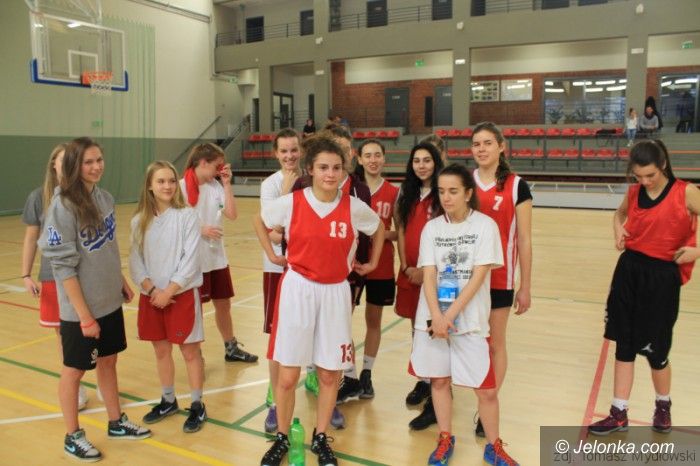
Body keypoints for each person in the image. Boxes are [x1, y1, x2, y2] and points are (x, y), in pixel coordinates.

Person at [254, 135, 384, 466]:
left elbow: (379, 228)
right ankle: (282, 437)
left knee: (329, 375)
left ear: (344, 171)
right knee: (287, 376)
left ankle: (321, 436)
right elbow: (260, 220)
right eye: (323, 167)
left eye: (337, 168)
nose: (330, 174)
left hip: (336, 291)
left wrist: (371, 263)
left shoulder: (354, 207)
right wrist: (273, 254)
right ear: (310, 169)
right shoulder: (292, 202)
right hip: (298, 289)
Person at [39, 137, 151, 462]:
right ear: (74, 165)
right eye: (88, 162)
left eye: (99, 159)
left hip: (108, 300)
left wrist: (120, 281)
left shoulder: (104, 197)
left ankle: (116, 422)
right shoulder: (62, 207)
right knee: (74, 371)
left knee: (109, 361)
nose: (96, 166)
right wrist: (84, 316)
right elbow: (63, 268)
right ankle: (72, 436)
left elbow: (107, 246)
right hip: (80, 310)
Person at [589, 139, 699, 436]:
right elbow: (619, 214)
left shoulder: (685, 192)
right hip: (629, 271)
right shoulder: (634, 192)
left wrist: (697, 250)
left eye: (650, 175)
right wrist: (618, 229)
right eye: (638, 176)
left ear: (663, 165)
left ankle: (663, 406)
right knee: (624, 345)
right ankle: (618, 413)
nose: (645, 181)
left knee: (656, 351)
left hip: (662, 276)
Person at [410, 163, 519, 466]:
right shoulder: (432, 228)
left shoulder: (485, 226)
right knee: (439, 382)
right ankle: (445, 437)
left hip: (469, 321)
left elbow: (478, 277)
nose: (446, 197)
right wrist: (437, 315)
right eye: (442, 191)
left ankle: (494, 446)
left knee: (486, 391)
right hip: (433, 320)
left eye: (453, 191)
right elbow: (429, 275)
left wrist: (450, 315)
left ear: (468, 193)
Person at [293, 124, 370, 428]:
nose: (332, 168)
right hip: (307, 275)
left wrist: (366, 263)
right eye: (325, 163)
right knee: (308, 333)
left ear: (349, 155)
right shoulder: (302, 187)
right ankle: (315, 378)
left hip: (345, 274)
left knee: (338, 332)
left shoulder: (358, 190)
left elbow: (368, 231)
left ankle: (338, 386)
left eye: (343, 152)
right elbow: (288, 226)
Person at [129, 161, 207, 433]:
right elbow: (135, 261)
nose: (167, 186)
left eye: (172, 181)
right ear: (150, 186)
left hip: (180, 295)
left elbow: (191, 259)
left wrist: (169, 291)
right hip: (152, 297)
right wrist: (152, 290)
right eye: (161, 181)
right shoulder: (139, 221)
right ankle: (168, 400)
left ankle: (197, 404)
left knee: (190, 352)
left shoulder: (187, 215)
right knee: (161, 350)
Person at [471, 121, 532, 438]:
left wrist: (526, 286)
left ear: (501, 146)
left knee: (495, 343)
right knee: (471, 342)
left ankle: (488, 404)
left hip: (500, 278)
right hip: (467, 280)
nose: (481, 149)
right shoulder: (464, 183)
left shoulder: (517, 185)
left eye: (487, 143)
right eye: (476, 144)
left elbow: (525, 239)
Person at [21, 143, 89, 411]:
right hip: (53, 277)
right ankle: (76, 387)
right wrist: (26, 274)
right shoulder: (38, 197)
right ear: (54, 164)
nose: (69, 165)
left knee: (95, 328)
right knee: (64, 335)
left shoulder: (85, 195)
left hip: (84, 274)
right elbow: (31, 238)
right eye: (64, 160)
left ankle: (103, 376)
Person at [180, 143, 258, 363]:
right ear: (203, 163)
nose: (220, 169)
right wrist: (200, 229)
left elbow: (232, 214)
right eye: (217, 166)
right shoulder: (181, 187)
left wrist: (226, 184)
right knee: (194, 309)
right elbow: (173, 222)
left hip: (217, 258)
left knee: (224, 304)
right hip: (194, 260)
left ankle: (231, 348)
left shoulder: (215, 186)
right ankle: (195, 352)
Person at [395, 142, 444, 430]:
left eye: (427, 160)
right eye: (417, 161)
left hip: (436, 275)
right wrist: (405, 266)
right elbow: (401, 229)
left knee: (435, 329)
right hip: (410, 271)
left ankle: (438, 396)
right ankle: (425, 380)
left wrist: (427, 271)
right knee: (416, 327)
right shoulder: (407, 192)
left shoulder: (444, 191)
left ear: (436, 162)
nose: (422, 165)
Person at [259, 128, 302, 433]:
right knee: (277, 339)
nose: (289, 156)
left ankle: (320, 388)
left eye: (294, 150)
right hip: (278, 270)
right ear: (275, 153)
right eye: (284, 151)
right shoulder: (270, 185)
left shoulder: (312, 179)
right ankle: (275, 402)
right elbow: (275, 232)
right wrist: (287, 191)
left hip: (307, 270)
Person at [349, 139, 399, 399]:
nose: (372, 160)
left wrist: (380, 233)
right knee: (343, 319)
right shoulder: (351, 189)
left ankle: (366, 373)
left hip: (381, 266)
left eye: (377, 155)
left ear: (384, 158)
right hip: (354, 264)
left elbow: (399, 231)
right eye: (367, 155)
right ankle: (348, 374)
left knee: (373, 321)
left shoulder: (393, 192)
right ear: (359, 159)